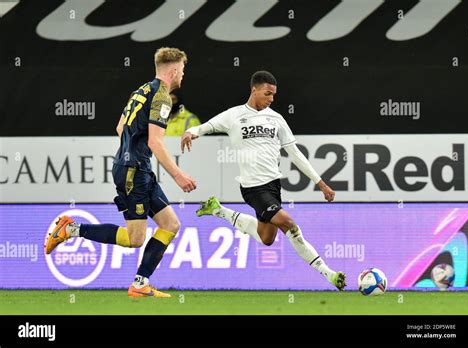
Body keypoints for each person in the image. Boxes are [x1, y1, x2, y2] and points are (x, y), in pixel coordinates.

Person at [45, 47, 197, 298]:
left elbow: (119, 127)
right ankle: (72, 229)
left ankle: (140, 284)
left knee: (170, 224)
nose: (183, 75)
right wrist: (178, 175)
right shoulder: (162, 97)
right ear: (174, 70)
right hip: (133, 171)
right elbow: (155, 142)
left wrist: (133, 150)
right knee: (135, 239)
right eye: (182, 70)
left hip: (137, 168)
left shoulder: (140, 91)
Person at [181, 71, 346, 290]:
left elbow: (294, 153)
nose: (271, 99)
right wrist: (191, 132)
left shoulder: (276, 118)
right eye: (268, 94)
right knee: (290, 225)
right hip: (253, 188)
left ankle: (219, 210)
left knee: (267, 238)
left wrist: (320, 183)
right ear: (254, 90)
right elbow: (206, 126)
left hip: (273, 186)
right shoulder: (234, 115)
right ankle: (330, 274)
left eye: (274, 95)